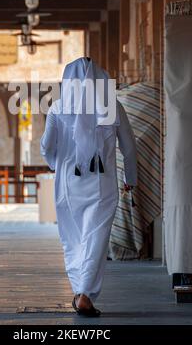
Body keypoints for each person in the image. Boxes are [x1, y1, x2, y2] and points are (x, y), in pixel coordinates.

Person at [40, 57, 137, 317]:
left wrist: (57, 163)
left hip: (68, 186)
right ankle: (84, 294)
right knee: (96, 239)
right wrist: (131, 179)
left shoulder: (57, 109)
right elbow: (128, 149)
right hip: (102, 186)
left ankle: (80, 291)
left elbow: (46, 148)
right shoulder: (113, 107)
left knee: (72, 239)